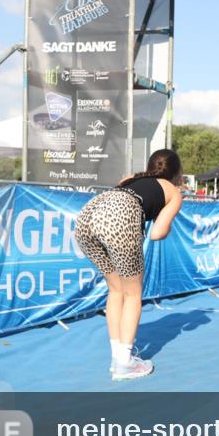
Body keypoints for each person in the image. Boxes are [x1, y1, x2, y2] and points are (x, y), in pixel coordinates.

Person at [74, 149, 184, 381]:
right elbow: (157, 234)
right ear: (177, 172)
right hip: (120, 215)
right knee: (133, 294)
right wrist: (168, 222)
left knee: (115, 290)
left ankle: (118, 358)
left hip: (86, 217)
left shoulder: (130, 179)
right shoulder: (173, 191)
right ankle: (124, 364)